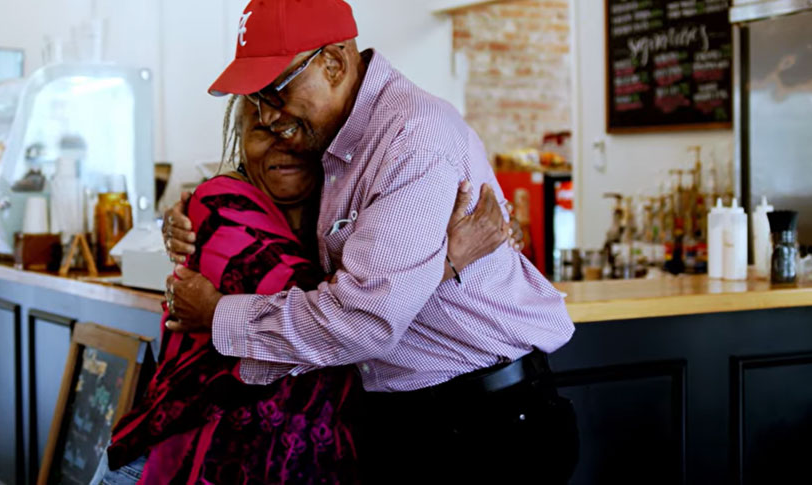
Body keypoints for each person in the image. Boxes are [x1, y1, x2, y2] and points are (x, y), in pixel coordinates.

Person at [164, 0, 579, 483]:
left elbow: (363, 318)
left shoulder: (411, 141)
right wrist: (442, 266)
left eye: (274, 91)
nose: (269, 118)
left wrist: (215, 315)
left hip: (482, 428)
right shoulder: (340, 146)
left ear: (334, 63)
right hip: (410, 422)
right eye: (254, 103)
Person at [101, 93, 510, 484]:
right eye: (262, 131)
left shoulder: (337, 222)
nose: (284, 143)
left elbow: (363, 301)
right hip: (187, 461)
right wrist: (448, 260)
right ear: (240, 143)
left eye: (297, 128)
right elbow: (346, 315)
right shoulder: (220, 204)